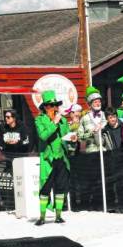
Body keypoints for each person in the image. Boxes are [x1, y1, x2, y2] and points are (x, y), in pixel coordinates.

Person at [35, 90, 76, 225]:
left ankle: (58, 215)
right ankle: (42, 217)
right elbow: (43, 136)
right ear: (45, 108)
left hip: (62, 158)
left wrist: (72, 138)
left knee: (61, 187)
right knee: (45, 188)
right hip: (48, 159)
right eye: (51, 106)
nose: (54, 108)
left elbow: (66, 135)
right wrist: (54, 123)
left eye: (56, 105)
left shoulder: (63, 120)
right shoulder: (39, 120)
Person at [78, 86, 107, 153]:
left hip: (106, 151)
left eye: (99, 102)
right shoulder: (84, 119)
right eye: (95, 102)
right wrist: (91, 133)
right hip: (91, 152)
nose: (98, 104)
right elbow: (79, 137)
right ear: (90, 104)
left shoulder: (105, 115)